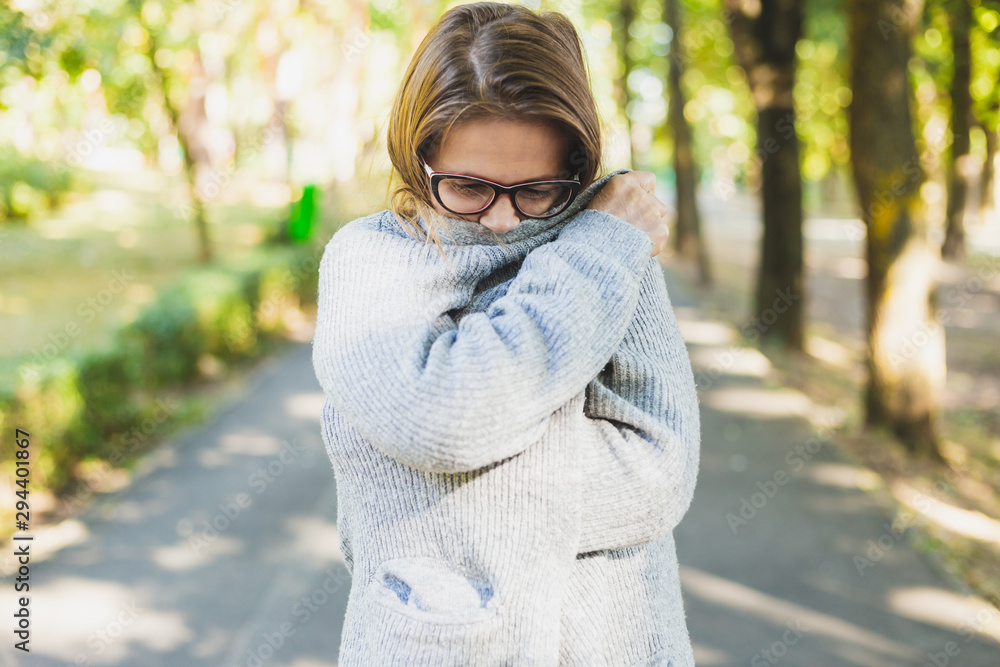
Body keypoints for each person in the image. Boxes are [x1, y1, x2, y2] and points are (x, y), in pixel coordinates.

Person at [311, 2, 701, 665]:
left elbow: (659, 476)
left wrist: (433, 481)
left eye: (537, 190)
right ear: (419, 152)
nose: (501, 220)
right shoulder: (369, 261)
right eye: (468, 187)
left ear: (575, 168)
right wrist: (595, 263)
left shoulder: (608, 248)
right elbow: (444, 418)